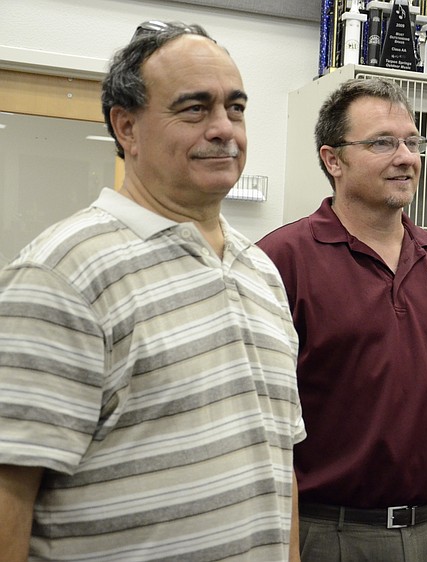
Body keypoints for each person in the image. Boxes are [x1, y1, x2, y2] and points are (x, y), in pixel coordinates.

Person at [0, 21, 305, 561]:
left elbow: (278, 465)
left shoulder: (262, 272)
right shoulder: (62, 274)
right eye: (194, 109)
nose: (223, 129)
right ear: (127, 128)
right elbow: (9, 488)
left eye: (235, 108)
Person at [257, 77, 427, 562]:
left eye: (412, 142)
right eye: (382, 143)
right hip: (323, 533)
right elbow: (263, 425)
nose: (406, 157)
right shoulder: (280, 260)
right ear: (333, 160)